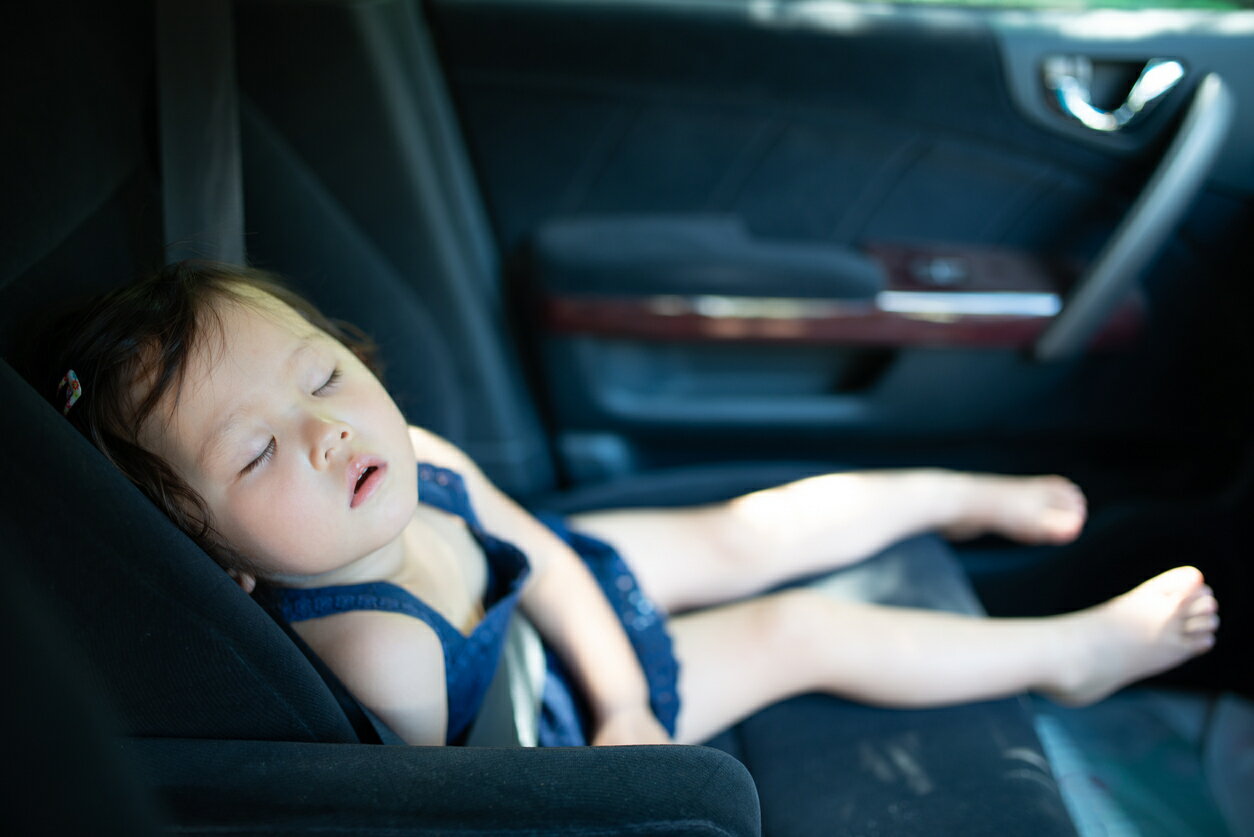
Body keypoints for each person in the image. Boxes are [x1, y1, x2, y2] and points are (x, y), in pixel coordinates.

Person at [40, 261, 1220, 747]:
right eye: (255, 456)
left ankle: (951, 493)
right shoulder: (378, 656)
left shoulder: (424, 459)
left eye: (323, 376)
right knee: (797, 627)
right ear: (218, 565)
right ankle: (1072, 653)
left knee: (744, 529)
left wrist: (604, 659)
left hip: (566, 603)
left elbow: (542, 559)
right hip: (543, 705)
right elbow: (492, 791)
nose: (328, 430)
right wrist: (624, 716)